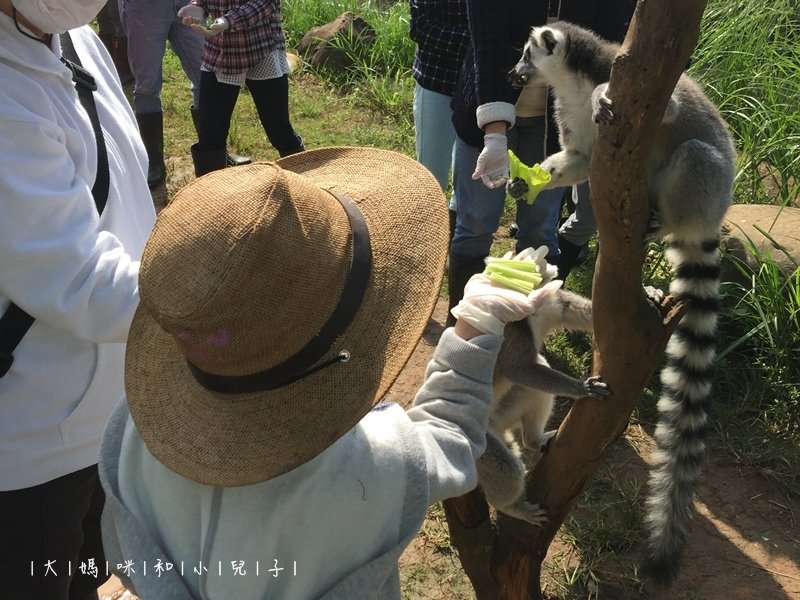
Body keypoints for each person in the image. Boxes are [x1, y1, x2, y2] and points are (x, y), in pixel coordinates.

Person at [98, 147, 556, 599]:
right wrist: (476, 323)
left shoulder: (128, 434)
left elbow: (128, 558)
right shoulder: (368, 470)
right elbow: (450, 436)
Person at [0, 1, 157, 599]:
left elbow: (127, 196)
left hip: (107, 411)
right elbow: (75, 276)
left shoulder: (76, 40)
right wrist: (212, 303)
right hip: (32, 441)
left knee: (88, 567)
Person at [446, 0, 565, 326]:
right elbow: (489, 42)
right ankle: (460, 327)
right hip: (486, 107)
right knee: (476, 224)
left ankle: (523, 334)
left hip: (555, 125)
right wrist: (495, 135)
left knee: (541, 229)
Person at [118, 0, 250, 189]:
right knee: (147, 86)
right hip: (145, 7)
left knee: (206, 76)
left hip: (186, 3)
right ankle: (154, 162)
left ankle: (214, 152)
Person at [177, 0, 304, 177]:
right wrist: (198, 6)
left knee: (279, 129)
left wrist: (227, 21)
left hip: (261, 48)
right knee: (210, 133)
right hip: (220, 51)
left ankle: (303, 191)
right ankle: (207, 197)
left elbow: (266, 3)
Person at [409, 0, 470, 240]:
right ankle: (425, 239)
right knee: (432, 172)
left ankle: (453, 236)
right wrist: (477, 43)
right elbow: (421, 28)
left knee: (468, 174)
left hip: (476, 89)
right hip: (436, 82)